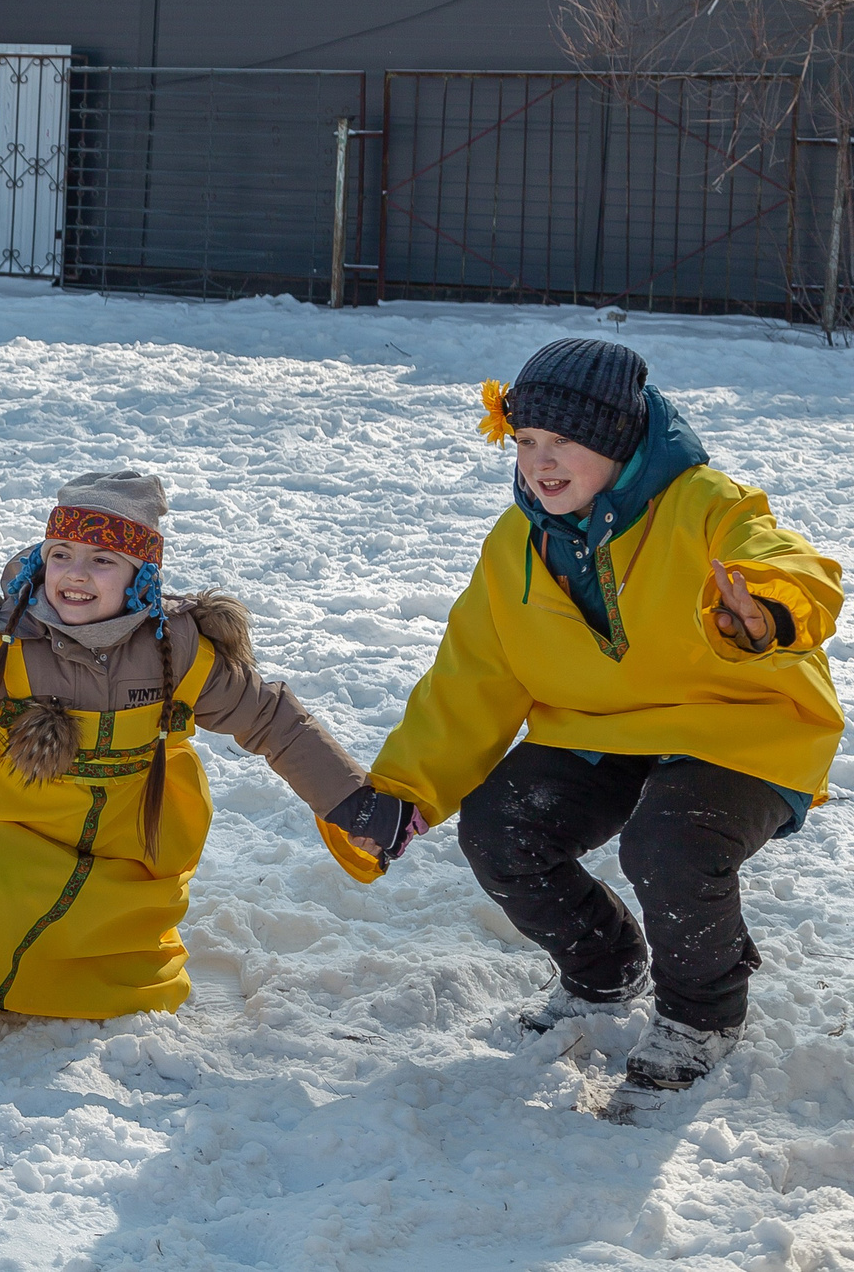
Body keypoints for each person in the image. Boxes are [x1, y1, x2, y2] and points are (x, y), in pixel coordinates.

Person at [341, 340, 842, 1100]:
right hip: (602, 728)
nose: (540, 461)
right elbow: (471, 679)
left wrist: (767, 610)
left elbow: (784, 558)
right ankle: (604, 972)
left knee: (670, 843)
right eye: (527, 441)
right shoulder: (517, 544)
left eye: (564, 442)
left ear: (617, 442)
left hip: (740, 724)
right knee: (501, 827)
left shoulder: (706, 503)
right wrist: (403, 791)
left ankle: (701, 1013)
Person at [0, 471, 370, 1019]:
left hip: (128, 841)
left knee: (122, 958)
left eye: (102, 560)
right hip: (8, 834)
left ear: (139, 575)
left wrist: (347, 798)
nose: (75, 575)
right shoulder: (1, 649)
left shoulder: (174, 649)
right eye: (61, 554)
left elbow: (272, 717)